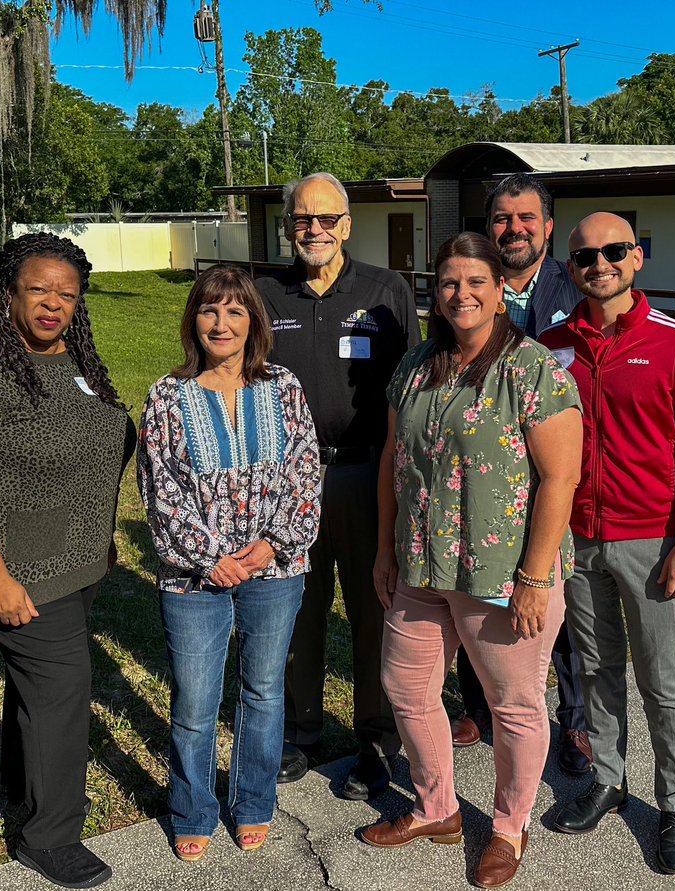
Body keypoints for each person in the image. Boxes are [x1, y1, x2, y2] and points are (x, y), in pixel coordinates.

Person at [361, 233, 582, 889]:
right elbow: (391, 461)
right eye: (450, 282)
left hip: (501, 573)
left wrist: (537, 577)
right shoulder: (417, 364)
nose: (462, 293)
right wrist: (383, 547)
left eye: (476, 282)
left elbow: (561, 477)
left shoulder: (531, 368)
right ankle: (437, 807)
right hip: (421, 565)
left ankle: (510, 826)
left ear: (499, 290)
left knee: (513, 703)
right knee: (406, 686)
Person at [0, 232, 130, 890]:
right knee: (64, 693)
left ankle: (21, 782)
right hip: (15, 565)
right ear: (8, 291)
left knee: (39, 688)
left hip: (73, 559)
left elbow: (98, 437)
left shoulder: (72, 356)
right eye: (38, 289)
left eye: (66, 294)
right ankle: (49, 836)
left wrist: (96, 531)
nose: (53, 304)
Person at [540, 213, 675, 874]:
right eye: (585, 256)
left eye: (614, 251)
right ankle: (609, 779)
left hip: (652, 540)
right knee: (596, 670)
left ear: (637, 257)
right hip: (578, 540)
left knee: (663, 680)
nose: (600, 264)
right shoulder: (553, 345)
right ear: (572, 266)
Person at [137, 265, 321, 862]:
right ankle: (192, 807)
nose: (222, 323)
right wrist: (211, 558)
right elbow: (159, 489)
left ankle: (254, 802)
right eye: (210, 310)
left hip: (275, 568)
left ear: (253, 323)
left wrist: (271, 546)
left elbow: (304, 474)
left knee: (263, 691)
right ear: (194, 320)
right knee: (195, 701)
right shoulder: (168, 395)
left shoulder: (284, 387)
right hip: (193, 576)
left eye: (235, 311)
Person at [256, 172, 420, 800]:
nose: (314, 230)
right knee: (296, 608)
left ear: (348, 225)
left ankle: (377, 738)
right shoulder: (265, 293)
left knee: (375, 606)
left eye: (327, 219)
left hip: (367, 473)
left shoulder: (385, 291)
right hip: (287, 480)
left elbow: (414, 385)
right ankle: (299, 732)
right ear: (288, 224)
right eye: (302, 219)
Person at [449, 174, 592, 779]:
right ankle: (479, 705)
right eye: (502, 219)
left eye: (526, 218)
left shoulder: (577, 289)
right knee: (474, 594)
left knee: (562, 611)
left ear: (548, 226)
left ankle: (578, 723)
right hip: (481, 480)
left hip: (556, 473)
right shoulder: (472, 289)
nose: (514, 229)